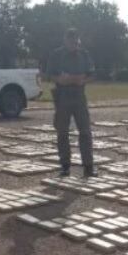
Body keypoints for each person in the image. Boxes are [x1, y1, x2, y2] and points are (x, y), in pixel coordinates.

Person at [46, 28, 96, 177]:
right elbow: (49, 74)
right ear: (65, 40)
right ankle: (65, 166)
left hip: (79, 96)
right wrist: (59, 79)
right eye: (71, 41)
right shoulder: (56, 55)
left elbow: (93, 75)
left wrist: (83, 80)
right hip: (63, 97)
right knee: (62, 132)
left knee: (85, 132)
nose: (74, 43)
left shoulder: (84, 55)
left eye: (76, 41)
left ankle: (88, 166)